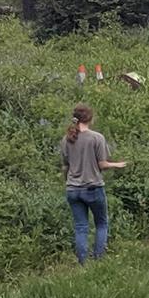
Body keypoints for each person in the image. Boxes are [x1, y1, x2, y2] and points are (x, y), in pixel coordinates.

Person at [60, 106, 126, 263]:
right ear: (90, 118)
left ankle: (83, 262)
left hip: (72, 189)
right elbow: (102, 164)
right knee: (101, 223)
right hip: (93, 187)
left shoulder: (66, 139)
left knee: (81, 227)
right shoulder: (96, 138)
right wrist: (117, 165)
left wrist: (67, 181)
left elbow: (65, 166)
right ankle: (98, 259)